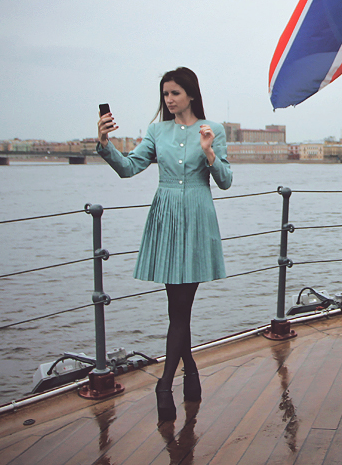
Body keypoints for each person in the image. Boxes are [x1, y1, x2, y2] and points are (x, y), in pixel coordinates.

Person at [96, 67, 233, 421]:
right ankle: (190, 370)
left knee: (181, 308)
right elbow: (129, 168)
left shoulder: (213, 130)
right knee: (178, 310)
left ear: (191, 94)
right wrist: (106, 144)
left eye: (174, 93)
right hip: (167, 218)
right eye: (165, 94)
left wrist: (209, 153)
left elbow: (226, 181)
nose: (169, 100)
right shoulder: (157, 131)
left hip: (198, 217)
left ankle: (165, 383)